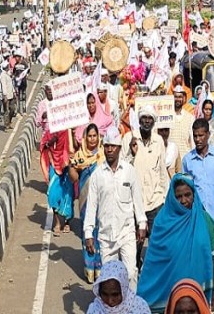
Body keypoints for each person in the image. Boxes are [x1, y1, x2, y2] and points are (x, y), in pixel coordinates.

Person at [137, 174, 214, 312]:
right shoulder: (162, 222)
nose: (184, 200)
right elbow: (153, 261)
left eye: (187, 195)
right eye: (178, 196)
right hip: (166, 296)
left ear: (194, 195)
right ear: (172, 197)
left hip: (199, 296)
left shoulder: (204, 220)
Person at [84, 126, 147, 285]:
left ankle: (131, 307)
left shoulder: (129, 171)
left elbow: (137, 200)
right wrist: (88, 233)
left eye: (113, 146)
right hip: (106, 235)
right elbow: (91, 206)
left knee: (131, 273)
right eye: (107, 146)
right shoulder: (97, 174)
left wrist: (142, 223)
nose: (109, 150)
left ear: (119, 148)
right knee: (109, 278)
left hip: (127, 232)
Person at [122, 108, 170, 269]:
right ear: (139, 120)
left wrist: (166, 197)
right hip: (134, 202)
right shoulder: (129, 139)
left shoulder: (158, 141)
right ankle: (134, 266)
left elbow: (162, 171)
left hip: (155, 200)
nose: (147, 121)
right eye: (144, 118)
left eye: (150, 118)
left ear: (154, 121)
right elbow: (121, 169)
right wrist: (131, 153)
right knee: (136, 243)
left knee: (157, 241)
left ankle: (153, 272)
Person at [70, 122, 105, 283]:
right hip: (85, 201)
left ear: (98, 137)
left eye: (94, 136)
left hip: (102, 201)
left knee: (102, 233)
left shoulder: (104, 155)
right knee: (88, 232)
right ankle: (89, 267)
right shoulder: (79, 156)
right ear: (85, 138)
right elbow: (73, 178)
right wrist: (72, 167)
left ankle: (100, 267)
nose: (92, 139)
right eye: (89, 136)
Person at [41, 114, 74, 236]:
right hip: (54, 164)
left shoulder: (68, 131)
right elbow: (43, 145)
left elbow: (72, 147)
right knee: (53, 194)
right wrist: (51, 142)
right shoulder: (50, 132)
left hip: (66, 165)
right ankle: (57, 222)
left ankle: (67, 222)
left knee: (68, 193)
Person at [86, 260, 152, 314]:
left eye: (115, 294)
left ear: (124, 289)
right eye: (104, 294)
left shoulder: (139, 307)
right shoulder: (94, 309)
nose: (110, 301)